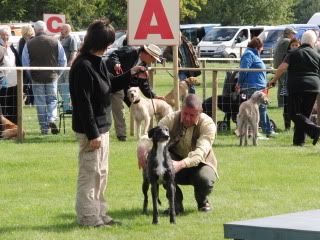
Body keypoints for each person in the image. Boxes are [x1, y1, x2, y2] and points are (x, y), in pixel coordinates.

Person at [69, 20, 146, 227]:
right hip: (90, 130)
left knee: (102, 173)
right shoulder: (83, 66)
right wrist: (93, 134)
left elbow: (110, 83)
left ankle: (100, 214)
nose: (111, 46)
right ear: (101, 42)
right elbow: (83, 104)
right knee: (89, 174)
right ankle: (87, 217)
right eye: (109, 42)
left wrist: (132, 73)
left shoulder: (99, 61)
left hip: (103, 127)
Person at [138, 94, 218, 213]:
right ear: (181, 109)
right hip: (173, 161)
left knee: (205, 179)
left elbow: (200, 153)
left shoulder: (208, 124)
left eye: (192, 115)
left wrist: (180, 164)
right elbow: (152, 136)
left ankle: (202, 201)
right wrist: (142, 148)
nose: (187, 118)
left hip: (200, 163)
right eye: (185, 113)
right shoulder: (171, 118)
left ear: (200, 112)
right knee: (160, 162)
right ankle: (175, 204)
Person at [268, 30, 320, 146]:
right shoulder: (317, 55)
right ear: (314, 42)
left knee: (293, 113)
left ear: (301, 41)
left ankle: (315, 130)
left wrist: (273, 80)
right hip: (314, 87)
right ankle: (299, 142)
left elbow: (282, 67)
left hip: (296, 86)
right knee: (304, 115)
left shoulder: (293, 53)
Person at [106, 42, 163, 142]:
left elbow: (144, 85)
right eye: (153, 58)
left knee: (119, 110)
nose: (153, 61)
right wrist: (116, 63)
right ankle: (100, 133)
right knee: (105, 111)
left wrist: (154, 96)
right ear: (148, 54)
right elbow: (113, 55)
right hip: (107, 80)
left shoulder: (144, 67)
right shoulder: (130, 51)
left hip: (121, 87)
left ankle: (121, 135)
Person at [22, 20, 66, 135]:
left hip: (36, 77)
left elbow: (25, 63)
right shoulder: (55, 41)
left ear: (35, 30)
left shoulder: (29, 44)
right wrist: (58, 74)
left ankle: (44, 128)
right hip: (52, 76)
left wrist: (31, 75)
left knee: (40, 102)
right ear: (45, 29)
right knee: (52, 100)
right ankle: (51, 118)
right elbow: (63, 60)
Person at [236, 37, 277, 138]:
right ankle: (261, 132)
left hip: (257, 87)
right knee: (260, 110)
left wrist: (268, 69)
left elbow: (257, 67)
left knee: (261, 109)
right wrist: (239, 83)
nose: (262, 49)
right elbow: (244, 70)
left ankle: (265, 130)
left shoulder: (253, 55)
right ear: (257, 46)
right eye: (262, 47)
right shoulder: (248, 54)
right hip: (252, 87)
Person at [0, 27, 21, 124]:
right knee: (3, 103)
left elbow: (18, 62)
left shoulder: (12, 47)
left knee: (12, 103)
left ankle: (13, 124)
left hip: (14, 80)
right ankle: (4, 124)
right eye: (3, 35)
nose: (5, 37)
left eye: (7, 35)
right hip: (2, 81)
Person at [273, 27, 297, 107]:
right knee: (284, 85)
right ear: (288, 33)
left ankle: (281, 104)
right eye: (293, 33)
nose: (294, 35)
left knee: (281, 85)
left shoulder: (280, 40)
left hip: (278, 66)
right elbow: (294, 52)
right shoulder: (287, 41)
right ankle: (283, 104)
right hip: (283, 66)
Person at [280, 38, 301, 130]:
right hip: (287, 84)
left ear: (300, 45)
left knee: (298, 107)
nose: (295, 47)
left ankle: (297, 126)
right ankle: (287, 127)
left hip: (298, 86)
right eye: (293, 45)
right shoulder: (287, 56)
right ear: (289, 46)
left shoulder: (302, 55)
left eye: (296, 45)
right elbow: (282, 69)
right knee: (286, 107)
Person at [58, 24, 78, 113]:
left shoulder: (71, 39)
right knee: (60, 86)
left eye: (62, 29)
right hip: (59, 67)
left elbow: (74, 52)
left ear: (66, 30)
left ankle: (68, 107)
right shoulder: (60, 39)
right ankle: (66, 104)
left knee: (66, 86)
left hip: (67, 67)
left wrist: (69, 64)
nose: (61, 30)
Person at [18, 24, 35, 105]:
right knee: (25, 86)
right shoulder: (21, 41)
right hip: (23, 67)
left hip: (31, 66)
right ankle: (28, 102)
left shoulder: (32, 40)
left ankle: (32, 101)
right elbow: (20, 54)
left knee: (32, 85)